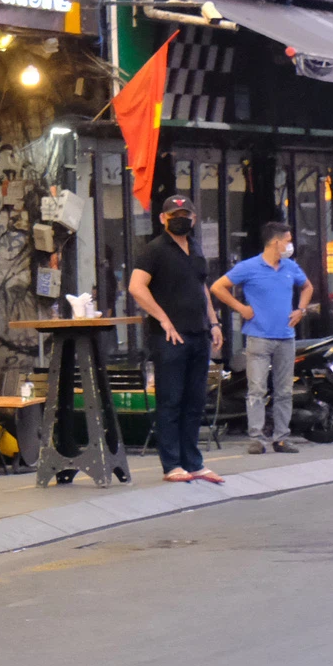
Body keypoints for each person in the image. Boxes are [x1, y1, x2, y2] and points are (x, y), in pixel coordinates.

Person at [131, 194, 223, 482]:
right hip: (169, 337)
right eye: (174, 214)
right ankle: (171, 465)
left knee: (195, 400)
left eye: (186, 214)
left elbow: (202, 287)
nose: (181, 218)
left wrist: (214, 321)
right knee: (170, 401)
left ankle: (193, 462)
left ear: (194, 218)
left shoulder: (196, 248)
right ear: (162, 218)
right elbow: (136, 287)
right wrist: (163, 318)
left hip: (199, 334)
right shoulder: (154, 250)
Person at [211, 219, 314, 455]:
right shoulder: (249, 267)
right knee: (257, 389)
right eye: (288, 241)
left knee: (284, 390)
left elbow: (307, 287)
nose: (290, 245)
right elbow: (217, 287)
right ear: (276, 242)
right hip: (258, 336)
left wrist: (301, 309)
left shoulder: (291, 267)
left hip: (286, 337)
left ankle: (281, 438)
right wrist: (241, 308)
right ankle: (256, 438)